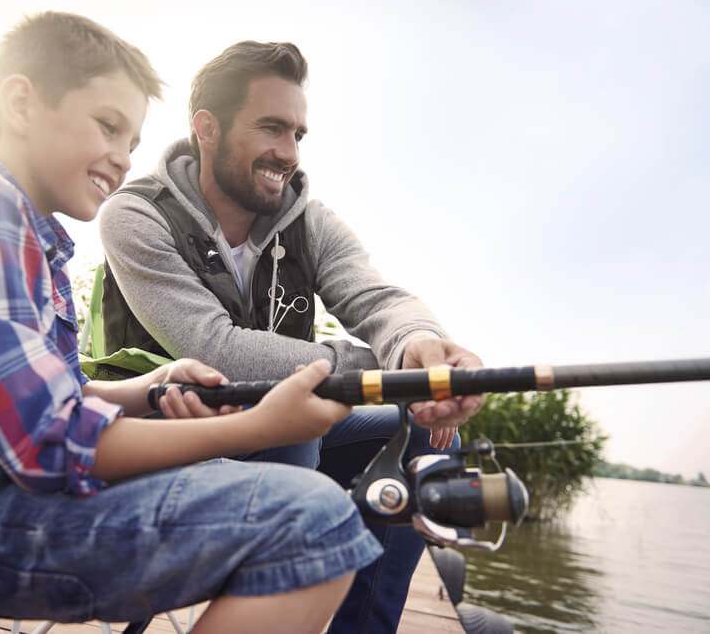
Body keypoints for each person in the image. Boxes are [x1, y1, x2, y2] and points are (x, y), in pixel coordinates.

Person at [0, 14, 384, 634]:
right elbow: (50, 444)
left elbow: (53, 400)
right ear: (21, 102)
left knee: (309, 510)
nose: (122, 160)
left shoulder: (24, 231)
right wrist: (259, 426)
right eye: (107, 127)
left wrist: (150, 387)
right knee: (314, 521)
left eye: (131, 142)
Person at [99, 40, 486, 633]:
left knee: (426, 438)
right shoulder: (134, 215)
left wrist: (418, 345)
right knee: (295, 417)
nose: (288, 153)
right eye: (271, 129)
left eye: (298, 134)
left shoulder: (311, 220)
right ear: (207, 128)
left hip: (276, 427)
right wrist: (368, 368)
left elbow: (376, 298)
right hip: (161, 431)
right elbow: (215, 345)